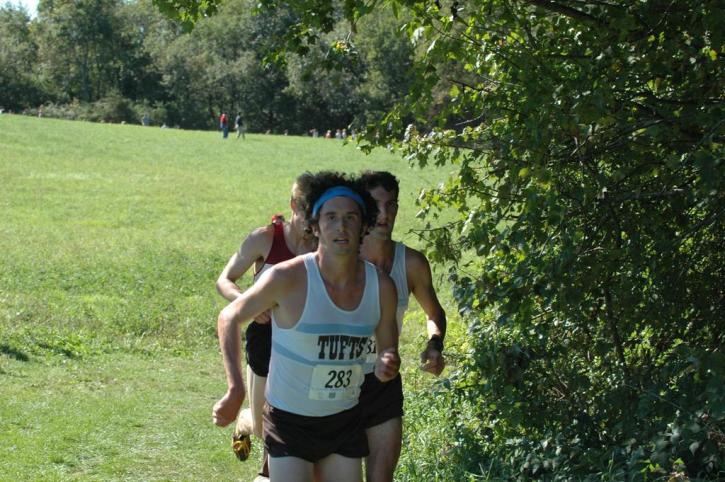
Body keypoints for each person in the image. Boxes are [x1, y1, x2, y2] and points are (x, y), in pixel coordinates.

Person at [213, 172, 400, 482]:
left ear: (365, 224)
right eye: (331, 217)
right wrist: (235, 389)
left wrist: (386, 364)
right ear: (315, 225)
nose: (341, 226)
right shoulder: (288, 278)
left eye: (351, 217)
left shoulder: (381, 287)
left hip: (344, 421)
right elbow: (229, 317)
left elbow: (386, 351)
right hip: (290, 424)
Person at [216, 174, 317, 478]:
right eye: (305, 210)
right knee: (262, 427)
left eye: (317, 212)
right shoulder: (265, 238)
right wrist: (249, 301)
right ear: (292, 205)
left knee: (285, 423)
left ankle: (268, 473)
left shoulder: (323, 246)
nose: (311, 221)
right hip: (264, 337)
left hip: (303, 340)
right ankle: (247, 420)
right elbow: (225, 279)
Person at [358, 171, 447, 482]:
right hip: (338, 382)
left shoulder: (410, 263)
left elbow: (434, 313)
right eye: (376, 205)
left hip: (384, 383)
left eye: (392, 204)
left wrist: (434, 344)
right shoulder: (338, 258)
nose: (386, 214)